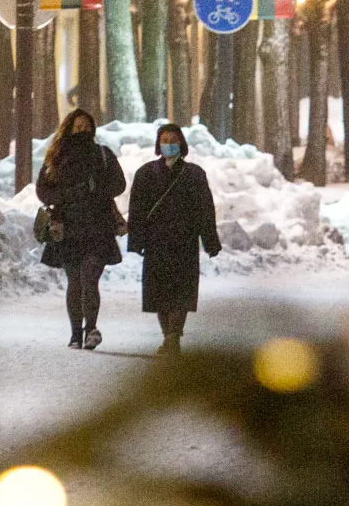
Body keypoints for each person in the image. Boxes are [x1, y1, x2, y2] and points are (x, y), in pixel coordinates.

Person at [126, 122, 221, 355]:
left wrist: (210, 241)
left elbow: (204, 210)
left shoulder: (194, 174)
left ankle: (173, 335)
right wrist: (136, 239)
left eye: (173, 140)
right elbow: (137, 209)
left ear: (182, 144)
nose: (168, 145)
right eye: (164, 141)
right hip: (156, 243)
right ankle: (168, 334)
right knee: (160, 294)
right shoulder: (146, 174)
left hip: (184, 242)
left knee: (180, 292)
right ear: (158, 144)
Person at [35, 108, 125, 350]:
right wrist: (67, 195)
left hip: (99, 227)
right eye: (78, 126)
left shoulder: (102, 155)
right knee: (75, 280)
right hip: (68, 228)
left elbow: (119, 183)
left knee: (89, 277)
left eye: (87, 126)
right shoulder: (56, 157)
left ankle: (91, 329)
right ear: (69, 128)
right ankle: (76, 333)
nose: (83, 130)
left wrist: (98, 188)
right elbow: (43, 190)